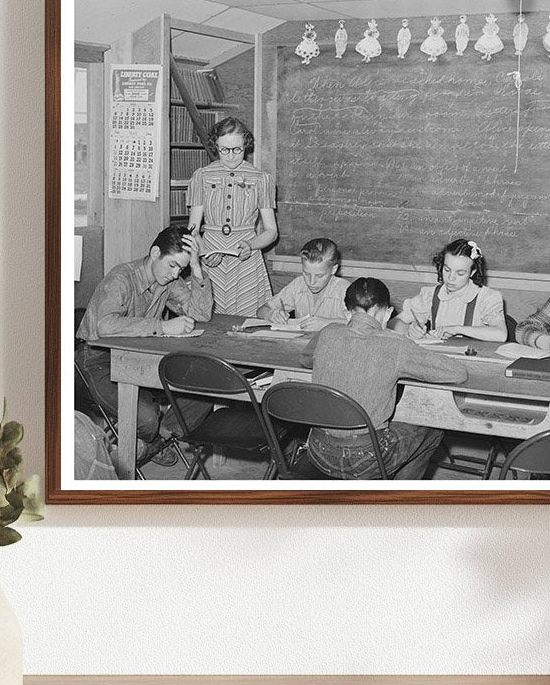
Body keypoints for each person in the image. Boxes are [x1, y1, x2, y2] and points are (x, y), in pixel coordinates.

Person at [300, 277, 468, 479]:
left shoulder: (326, 333)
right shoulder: (395, 344)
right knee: (432, 427)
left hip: (318, 451)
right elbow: (458, 373)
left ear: (346, 313)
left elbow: (305, 359)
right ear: (388, 313)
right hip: (365, 459)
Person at [76, 225, 213, 464]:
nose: (175, 274)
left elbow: (201, 314)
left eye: (181, 268)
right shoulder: (121, 278)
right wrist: (163, 327)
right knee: (147, 418)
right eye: (172, 265)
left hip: (139, 358)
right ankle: (152, 439)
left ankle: (151, 442)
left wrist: (196, 268)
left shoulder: (168, 280)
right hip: (98, 360)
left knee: (204, 390)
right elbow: (103, 326)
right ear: (155, 253)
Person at [187, 117, 277, 316]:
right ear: (215, 146)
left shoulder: (261, 179)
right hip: (210, 254)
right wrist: (204, 253)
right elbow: (192, 229)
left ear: (246, 144)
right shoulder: (202, 176)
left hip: (246, 258)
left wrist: (251, 245)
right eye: (224, 150)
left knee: (247, 322)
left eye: (237, 149)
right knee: (206, 316)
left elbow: (271, 231)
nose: (230, 156)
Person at [397, 239, 506, 343]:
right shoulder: (430, 295)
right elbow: (393, 323)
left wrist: (457, 329)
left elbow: (501, 334)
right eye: (447, 270)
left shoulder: (487, 297)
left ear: (472, 272)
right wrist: (409, 330)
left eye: (460, 273)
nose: (451, 278)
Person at [257, 237, 348, 331]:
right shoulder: (298, 285)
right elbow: (261, 311)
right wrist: (271, 314)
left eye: (319, 276)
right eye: (306, 273)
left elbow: (362, 325)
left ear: (334, 269)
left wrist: (328, 324)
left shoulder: (345, 290)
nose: (311, 282)